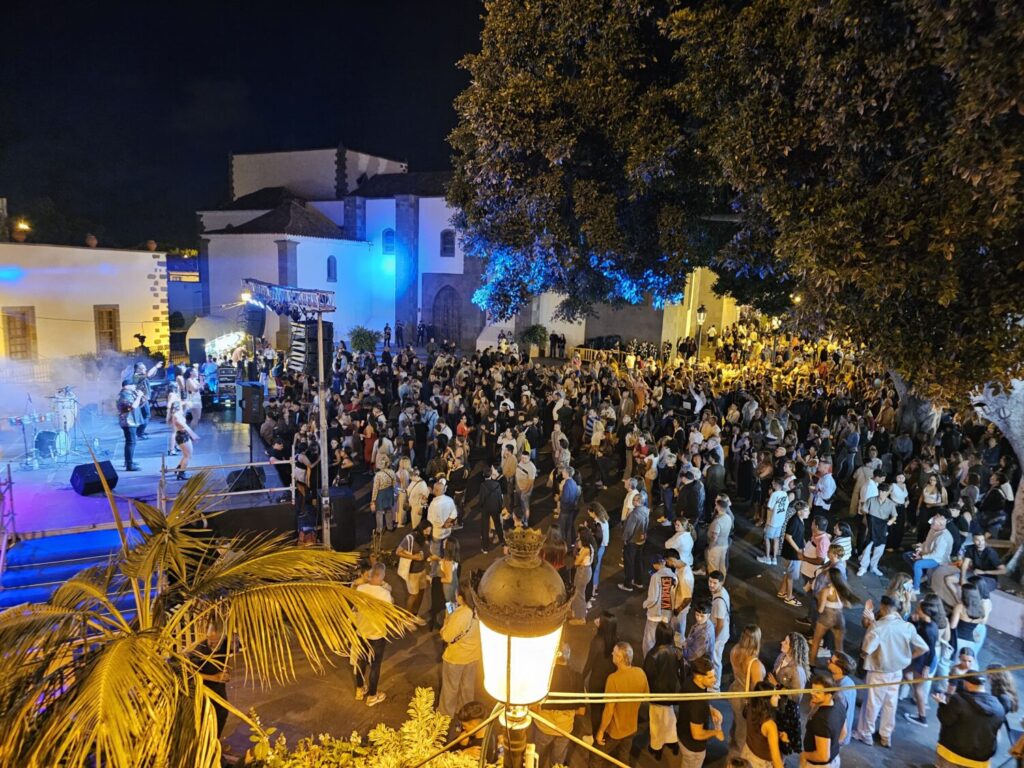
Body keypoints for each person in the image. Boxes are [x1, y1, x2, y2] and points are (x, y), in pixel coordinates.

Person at [854, 594, 928, 748]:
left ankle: (866, 734)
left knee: (872, 704)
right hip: (897, 670)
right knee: (890, 703)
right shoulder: (907, 626)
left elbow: (866, 650)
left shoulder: (878, 627)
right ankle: (885, 735)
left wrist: (871, 626)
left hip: (879, 671)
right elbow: (923, 648)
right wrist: (907, 658)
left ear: (882, 607)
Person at [935, 672, 1006, 768]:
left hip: (953, 753)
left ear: (966, 683)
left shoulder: (958, 700)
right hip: (981, 759)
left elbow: (945, 719)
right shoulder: (999, 706)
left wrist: (942, 705)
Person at [595, 641, 649, 765]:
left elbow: (609, 710)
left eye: (614, 653)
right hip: (631, 728)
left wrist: (601, 731)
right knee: (623, 757)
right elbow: (645, 697)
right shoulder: (640, 673)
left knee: (596, 755)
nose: (612, 654)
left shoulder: (613, 679)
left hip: (615, 731)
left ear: (619, 658)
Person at [532, 644, 585, 767]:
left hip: (543, 726)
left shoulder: (543, 676)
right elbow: (581, 711)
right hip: (564, 729)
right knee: (558, 762)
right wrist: (567, 712)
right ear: (568, 656)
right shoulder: (577, 677)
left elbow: (533, 707)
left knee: (536, 757)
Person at [354, 562, 394, 707]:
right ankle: (372, 695)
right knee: (375, 665)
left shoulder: (360, 589)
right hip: (377, 634)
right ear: (382, 576)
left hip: (361, 631)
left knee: (361, 661)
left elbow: (355, 608)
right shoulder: (385, 594)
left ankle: (359, 689)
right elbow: (390, 613)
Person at [439, 587, 481, 717]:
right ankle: (466, 713)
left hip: (456, 658)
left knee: (451, 688)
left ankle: (445, 715)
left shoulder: (462, 614)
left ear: (462, 597)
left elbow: (446, 636)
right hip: (473, 656)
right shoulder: (480, 610)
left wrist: (448, 618)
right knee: (467, 688)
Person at [676, 655, 725, 767]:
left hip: (682, 734)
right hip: (693, 748)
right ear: (698, 677)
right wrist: (716, 732)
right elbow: (697, 734)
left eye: (714, 676)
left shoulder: (690, 682)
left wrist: (711, 709)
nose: (714, 680)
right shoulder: (698, 704)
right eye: (710, 677)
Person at [641, 622, 681, 759]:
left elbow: (647, 675)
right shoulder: (676, 651)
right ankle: (673, 742)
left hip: (657, 694)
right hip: (672, 693)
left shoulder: (653, 654)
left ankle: (656, 748)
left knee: (656, 722)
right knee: (670, 718)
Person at [728, 624, 766, 751]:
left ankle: (731, 742)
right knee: (743, 730)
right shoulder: (755, 665)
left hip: (734, 691)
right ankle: (738, 755)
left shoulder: (735, 650)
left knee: (736, 721)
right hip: (744, 699)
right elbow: (757, 690)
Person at [193, 618, 230, 738]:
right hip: (203, 690)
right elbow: (189, 674)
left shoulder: (226, 644)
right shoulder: (200, 650)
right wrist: (213, 677)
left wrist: (226, 674)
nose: (211, 644)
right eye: (209, 639)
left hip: (219, 689)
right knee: (207, 719)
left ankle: (216, 742)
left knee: (222, 714)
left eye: (215, 642)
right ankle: (207, 746)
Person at [801, 673, 847, 768]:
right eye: (813, 690)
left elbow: (823, 757)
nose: (812, 693)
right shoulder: (839, 704)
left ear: (829, 695)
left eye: (818, 692)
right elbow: (843, 733)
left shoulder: (821, 720)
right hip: (834, 760)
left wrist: (804, 755)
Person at [583, 611, 618, 733]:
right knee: (607, 706)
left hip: (597, 680)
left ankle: (596, 732)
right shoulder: (616, 640)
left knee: (596, 708)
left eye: (600, 620)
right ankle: (605, 730)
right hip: (611, 680)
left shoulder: (597, 642)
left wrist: (581, 679)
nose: (596, 620)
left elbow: (589, 663)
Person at [903, 511, 954, 592]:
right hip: (928, 554)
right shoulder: (933, 529)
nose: (931, 525)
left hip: (938, 560)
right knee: (907, 555)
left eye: (933, 523)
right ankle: (921, 575)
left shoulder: (943, 537)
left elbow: (937, 555)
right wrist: (919, 549)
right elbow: (926, 542)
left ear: (940, 525)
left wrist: (921, 557)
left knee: (917, 564)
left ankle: (916, 588)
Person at [741, 682, 786, 768]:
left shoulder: (751, 708)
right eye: (775, 695)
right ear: (766, 700)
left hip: (747, 754)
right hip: (760, 764)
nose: (779, 697)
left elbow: (759, 732)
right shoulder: (770, 725)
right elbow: (776, 760)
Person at [857, 482, 898, 576]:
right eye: (880, 491)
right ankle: (863, 567)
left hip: (883, 527)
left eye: (884, 492)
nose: (881, 493)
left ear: (888, 492)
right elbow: (864, 510)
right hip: (871, 526)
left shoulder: (891, 504)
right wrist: (868, 519)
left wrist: (890, 521)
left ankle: (873, 567)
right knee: (867, 548)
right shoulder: (871, 500)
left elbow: (894, 516)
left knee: (879, 549)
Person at [641, 552, 677, 654]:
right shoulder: (674, 576)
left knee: (649, 642)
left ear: (655, 564)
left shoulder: (656, 577)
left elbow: (653, 598)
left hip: (655, 615)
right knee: (662, 641)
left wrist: (645, 604)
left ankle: (648, 663)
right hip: (667, 616)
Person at [395, 520, 433, 615]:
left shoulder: (426, 539)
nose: (428, 534)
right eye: (426, 531)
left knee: (421, 592)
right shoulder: (410, 538)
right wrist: (413, 557)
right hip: (412, 572)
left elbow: (427, 552)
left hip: (422, 570)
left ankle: (415, 614)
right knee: (413, 595)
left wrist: (430, 557)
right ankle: (407, 616)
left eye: (429, 531)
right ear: (421, 529)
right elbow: (398, 551)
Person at [779, 501, 811, 607]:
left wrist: (804, 545)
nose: (809, 512)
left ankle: (782, 591)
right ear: (800, 511)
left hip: (793, 552)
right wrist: (798, 550)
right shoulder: (794, 521)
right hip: (792, 553)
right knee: (791, 576)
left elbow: (799, 535)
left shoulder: (800, 519)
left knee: (789, 573)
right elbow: (788, 536)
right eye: (806, 510)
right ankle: (789, 597)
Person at [619, 493, 649, 592]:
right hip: (641, 540)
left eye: (634, 500)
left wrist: (625, 539)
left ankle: (628, 585)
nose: (633, 501)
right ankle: (638, 581)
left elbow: (628, 530)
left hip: (632, 542)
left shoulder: (634, 514)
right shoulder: (645, 511)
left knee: (629, 563)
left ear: (639, 502)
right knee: (638, 561)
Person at [827, 652, 857, 748]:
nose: (828, 661)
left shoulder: (840, 694)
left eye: (831, 661)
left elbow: (837, 719)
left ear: (839, 669)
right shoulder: (850, 682)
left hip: (835, 738)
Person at [759, 477, 790, 565]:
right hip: (780, 520)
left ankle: (767, 557)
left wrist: (766, 522)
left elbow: (769, 508)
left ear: (776, 484)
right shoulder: (785, 494)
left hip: (772, 520)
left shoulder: (774, 494)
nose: (772, 484)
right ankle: (774, 558)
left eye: (773, 483)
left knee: (767, 538)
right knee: (776, 539)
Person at [708, 570, 730, 690]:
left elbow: (720, 624)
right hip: (722, 631)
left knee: (716, 660)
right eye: (710, 581)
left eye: (714, 583)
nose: (711, 585)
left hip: (719, 634)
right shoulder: (722, 591)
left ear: (721, 583)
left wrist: (713, 638)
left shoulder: (719, 602)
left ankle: (715, 686)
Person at [116, 377, 145, 471]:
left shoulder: (128, 393)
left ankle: (128, 461)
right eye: (133, 385)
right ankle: (129, 465)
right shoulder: (125, 395)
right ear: (127, 386)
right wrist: (139, 396)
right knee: (131, 442)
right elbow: (133, 406)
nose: (134, 386)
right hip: (128, 422)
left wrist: (140, 397)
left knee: (130, 442)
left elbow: (138, 405)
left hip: (131, 421)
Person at [168, 399, 199, 480]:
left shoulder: (177, 414)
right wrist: (193, 435)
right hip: (182, 436)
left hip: (183, 435)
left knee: (186, 455)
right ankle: (181, 473)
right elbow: (186, 427)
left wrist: (185, 402)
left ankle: (179, 468)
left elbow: (185, 404)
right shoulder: (177, 416)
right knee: (188, 456)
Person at [477, 465, 505, 552]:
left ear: (483, 475)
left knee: (485, 527)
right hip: (495, 507)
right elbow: (499, 498)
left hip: (486, 508)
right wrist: (500, 507)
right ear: (490, 475)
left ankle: (485, 548)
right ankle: (503, 542)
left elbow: (481, 499)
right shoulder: (497, 484)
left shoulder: (482, 485)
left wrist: (481, 506)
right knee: (498, 525)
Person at [570, 528, 596, 624]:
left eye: (579, 537)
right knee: (579, 592)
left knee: (579, 594)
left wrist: (576, 553)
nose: (578, 538)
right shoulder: (590, 546)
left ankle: (580, 618)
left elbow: (576, 562)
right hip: (585, 570)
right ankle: (577, 612)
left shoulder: (585, 549)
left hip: (583, 572)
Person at [706, 499, 733, 576]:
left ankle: (714, 583)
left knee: (713, 567)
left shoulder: (718, 521)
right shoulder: (728, 517)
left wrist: (710, 546)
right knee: (722, 566)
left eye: (716, 505)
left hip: (716, 547)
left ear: (718, 507)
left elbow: (714, 537)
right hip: (724, 544)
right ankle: (721, 582)